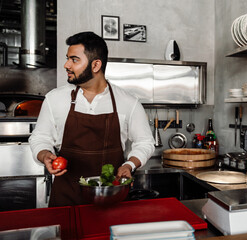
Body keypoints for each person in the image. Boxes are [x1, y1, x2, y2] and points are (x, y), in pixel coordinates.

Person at [29, 31, 155, 207]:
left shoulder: (128, 102)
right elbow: (40, 137)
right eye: (68, 58)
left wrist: (129, 165)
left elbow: (145, 142)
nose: (66, 65)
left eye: (74, 59)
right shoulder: (54, 99)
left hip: (112, 195)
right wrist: (45, 155)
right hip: (67, 198)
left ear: (96, 65)